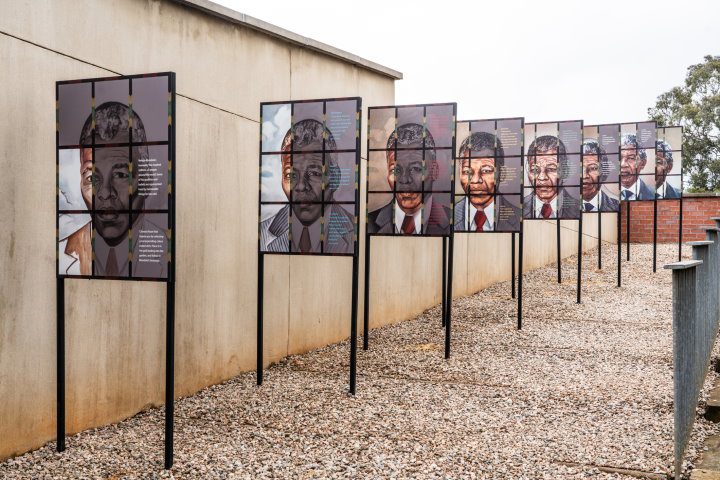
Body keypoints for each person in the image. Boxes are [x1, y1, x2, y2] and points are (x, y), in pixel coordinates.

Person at [59, 101, 167, 277]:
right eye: (92, 178)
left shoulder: (168, 251)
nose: (104, 193)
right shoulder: (61, 254)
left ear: (146, 179)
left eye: (120, 175)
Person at [260, 118, 354, 253]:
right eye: (291, 175)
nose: (301, 186)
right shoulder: (263, 232)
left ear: (335, 178)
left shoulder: (355, 232)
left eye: (314, 173)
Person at [367, 123, 451, 235]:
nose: (405, 180)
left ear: (434, 171)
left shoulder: (453, 222)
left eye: (415, 169)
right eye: (396, 170)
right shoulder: (369, 223)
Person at [454, 131, 520, 231]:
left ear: (502, 173)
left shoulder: (518, 217)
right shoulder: (447, 218)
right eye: (467, 171)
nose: (475, 180)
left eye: (486, 170)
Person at [522, 135, 580, 219]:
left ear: (564, 171)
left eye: (550, 169)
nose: (542, 178)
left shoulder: (579, 209)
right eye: (535, 170)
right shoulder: (517, 210)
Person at [581, 139, 620, 212]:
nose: (584, 176)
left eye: (593, 168)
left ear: (604, 173)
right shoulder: (562, 209)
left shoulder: (617, 207)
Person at [619, 133, 654, 200]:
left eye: (631, 158)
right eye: (619, 158)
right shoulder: (607, 196)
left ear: (643, 163)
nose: (623, 164)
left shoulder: (654, 194)